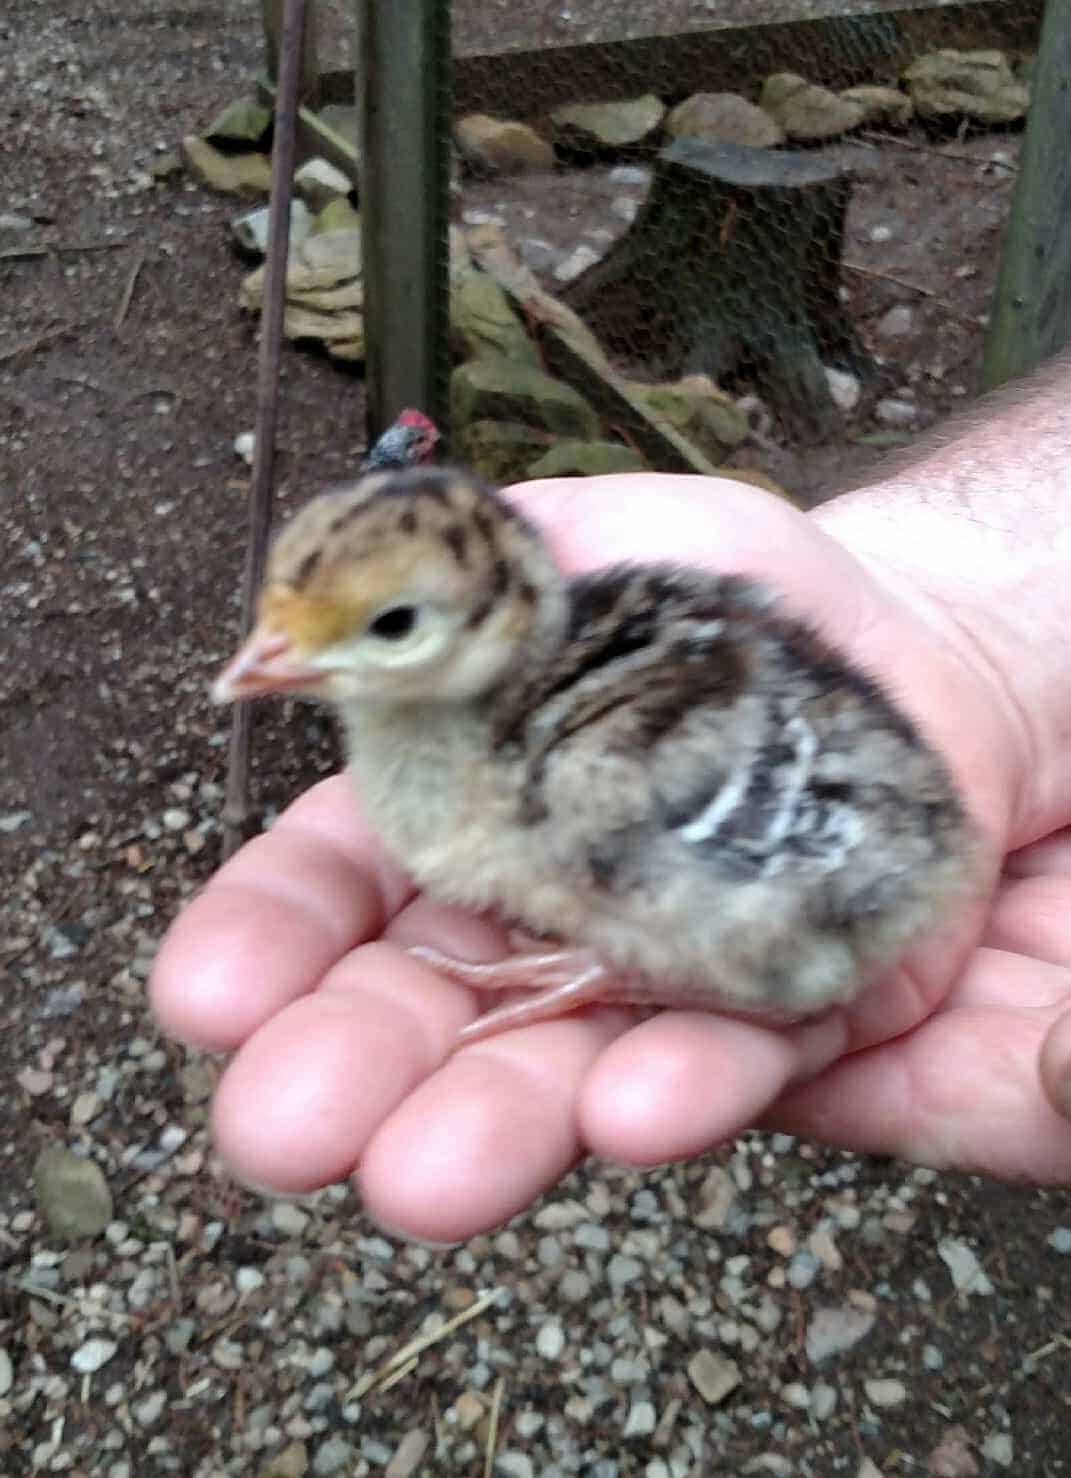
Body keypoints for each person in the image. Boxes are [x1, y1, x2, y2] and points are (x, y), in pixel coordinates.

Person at [151, 353, 1071, 1243]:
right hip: (865, 786)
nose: (261, 662)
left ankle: (746, 979)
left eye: (389, 627)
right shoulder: (563, 669)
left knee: (714, 899)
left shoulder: (588, 781)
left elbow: (867, 857)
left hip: (857, 870)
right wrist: (974, 616)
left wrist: (618, 967)